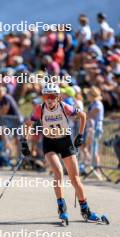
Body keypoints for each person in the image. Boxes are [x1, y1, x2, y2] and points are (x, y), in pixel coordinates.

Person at [21, 83, 106, 224]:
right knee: (58, 172)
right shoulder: (40, 109)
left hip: (65, 142)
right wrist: (24, 141)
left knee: (75, 178)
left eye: (52, 96)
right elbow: (28, 124)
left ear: (58, 97)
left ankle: (86, 210)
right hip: (49, 143)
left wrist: (80, 135)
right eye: (46, 96)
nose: (49, 99)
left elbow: (83, 116)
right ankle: (62, 208)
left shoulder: (64, 107)